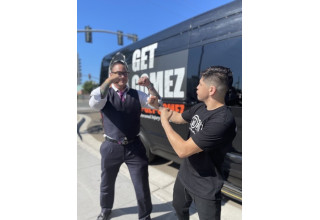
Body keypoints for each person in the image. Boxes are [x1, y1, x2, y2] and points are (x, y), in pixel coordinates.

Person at [149, 66, 237, 220]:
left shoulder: (222, 120)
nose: (196, 87)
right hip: (185, 175)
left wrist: (164, 123)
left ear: (211, 90)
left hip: (206, 186)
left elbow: (183, 150)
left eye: (200, 84)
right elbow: (177, 117)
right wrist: (158, 107)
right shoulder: (200, 108)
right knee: (179, 209)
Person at [89, 53, 160, 220]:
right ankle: (105, 209)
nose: (122, 76)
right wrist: (108, 81)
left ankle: (145, 216)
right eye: (118, 73)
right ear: (111, 75)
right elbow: (93, 103)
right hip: (111, 146)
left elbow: (158, 103)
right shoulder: (104, 95)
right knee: (107, 183)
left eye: (125, 73)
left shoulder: (137, 95)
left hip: (134, 146)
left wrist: (149, 86)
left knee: (141, 184)